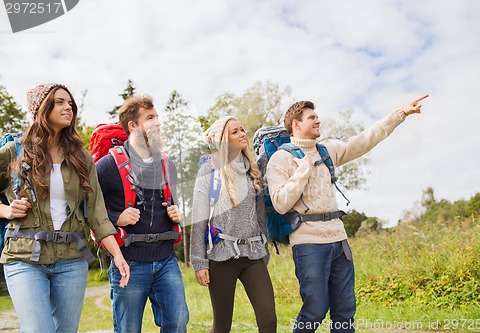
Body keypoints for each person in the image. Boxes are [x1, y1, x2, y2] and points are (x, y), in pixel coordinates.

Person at [266, 96, 427, 333]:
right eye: (312, 117)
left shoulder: (326, 151)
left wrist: (401, 113)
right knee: (315, 309)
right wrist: (302, 172)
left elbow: (365, 140)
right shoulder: (281, 158)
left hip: (339, 241)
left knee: (345, 311)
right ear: (296, 124)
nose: (318, 120)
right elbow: (280, 203)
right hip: (309, 244)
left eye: (317, 116)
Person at [0, 83, 130, 333]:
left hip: (71, 259)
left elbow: (97, 214)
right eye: (59, 102)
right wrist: (5, 211)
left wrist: (118, 255)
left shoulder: (81, 157)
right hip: (24, 257)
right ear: (41, 108)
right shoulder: (15, 151)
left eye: (69, 103)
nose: (67, 107)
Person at [96, 95, 189, 333]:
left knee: (178, 323)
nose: (158, 122)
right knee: (128, 329)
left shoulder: (167, 164)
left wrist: (176, 213)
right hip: (129, 261)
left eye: (157, 117)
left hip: (166, 259)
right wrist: (117, 217)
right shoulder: (106, 167)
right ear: (133, 126)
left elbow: (171, 203)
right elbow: (91, 212)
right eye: (150, 118)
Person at [190, 116, 277, 333]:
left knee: (269, 320)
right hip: (221, 256)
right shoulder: (209, 171)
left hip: (253, 255)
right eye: (235, 132)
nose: (242, 134)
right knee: (222, 327)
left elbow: (259, 217)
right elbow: (199, 218)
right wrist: (199, 262)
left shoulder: (253, 171)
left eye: (242, 130)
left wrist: (264, 250)